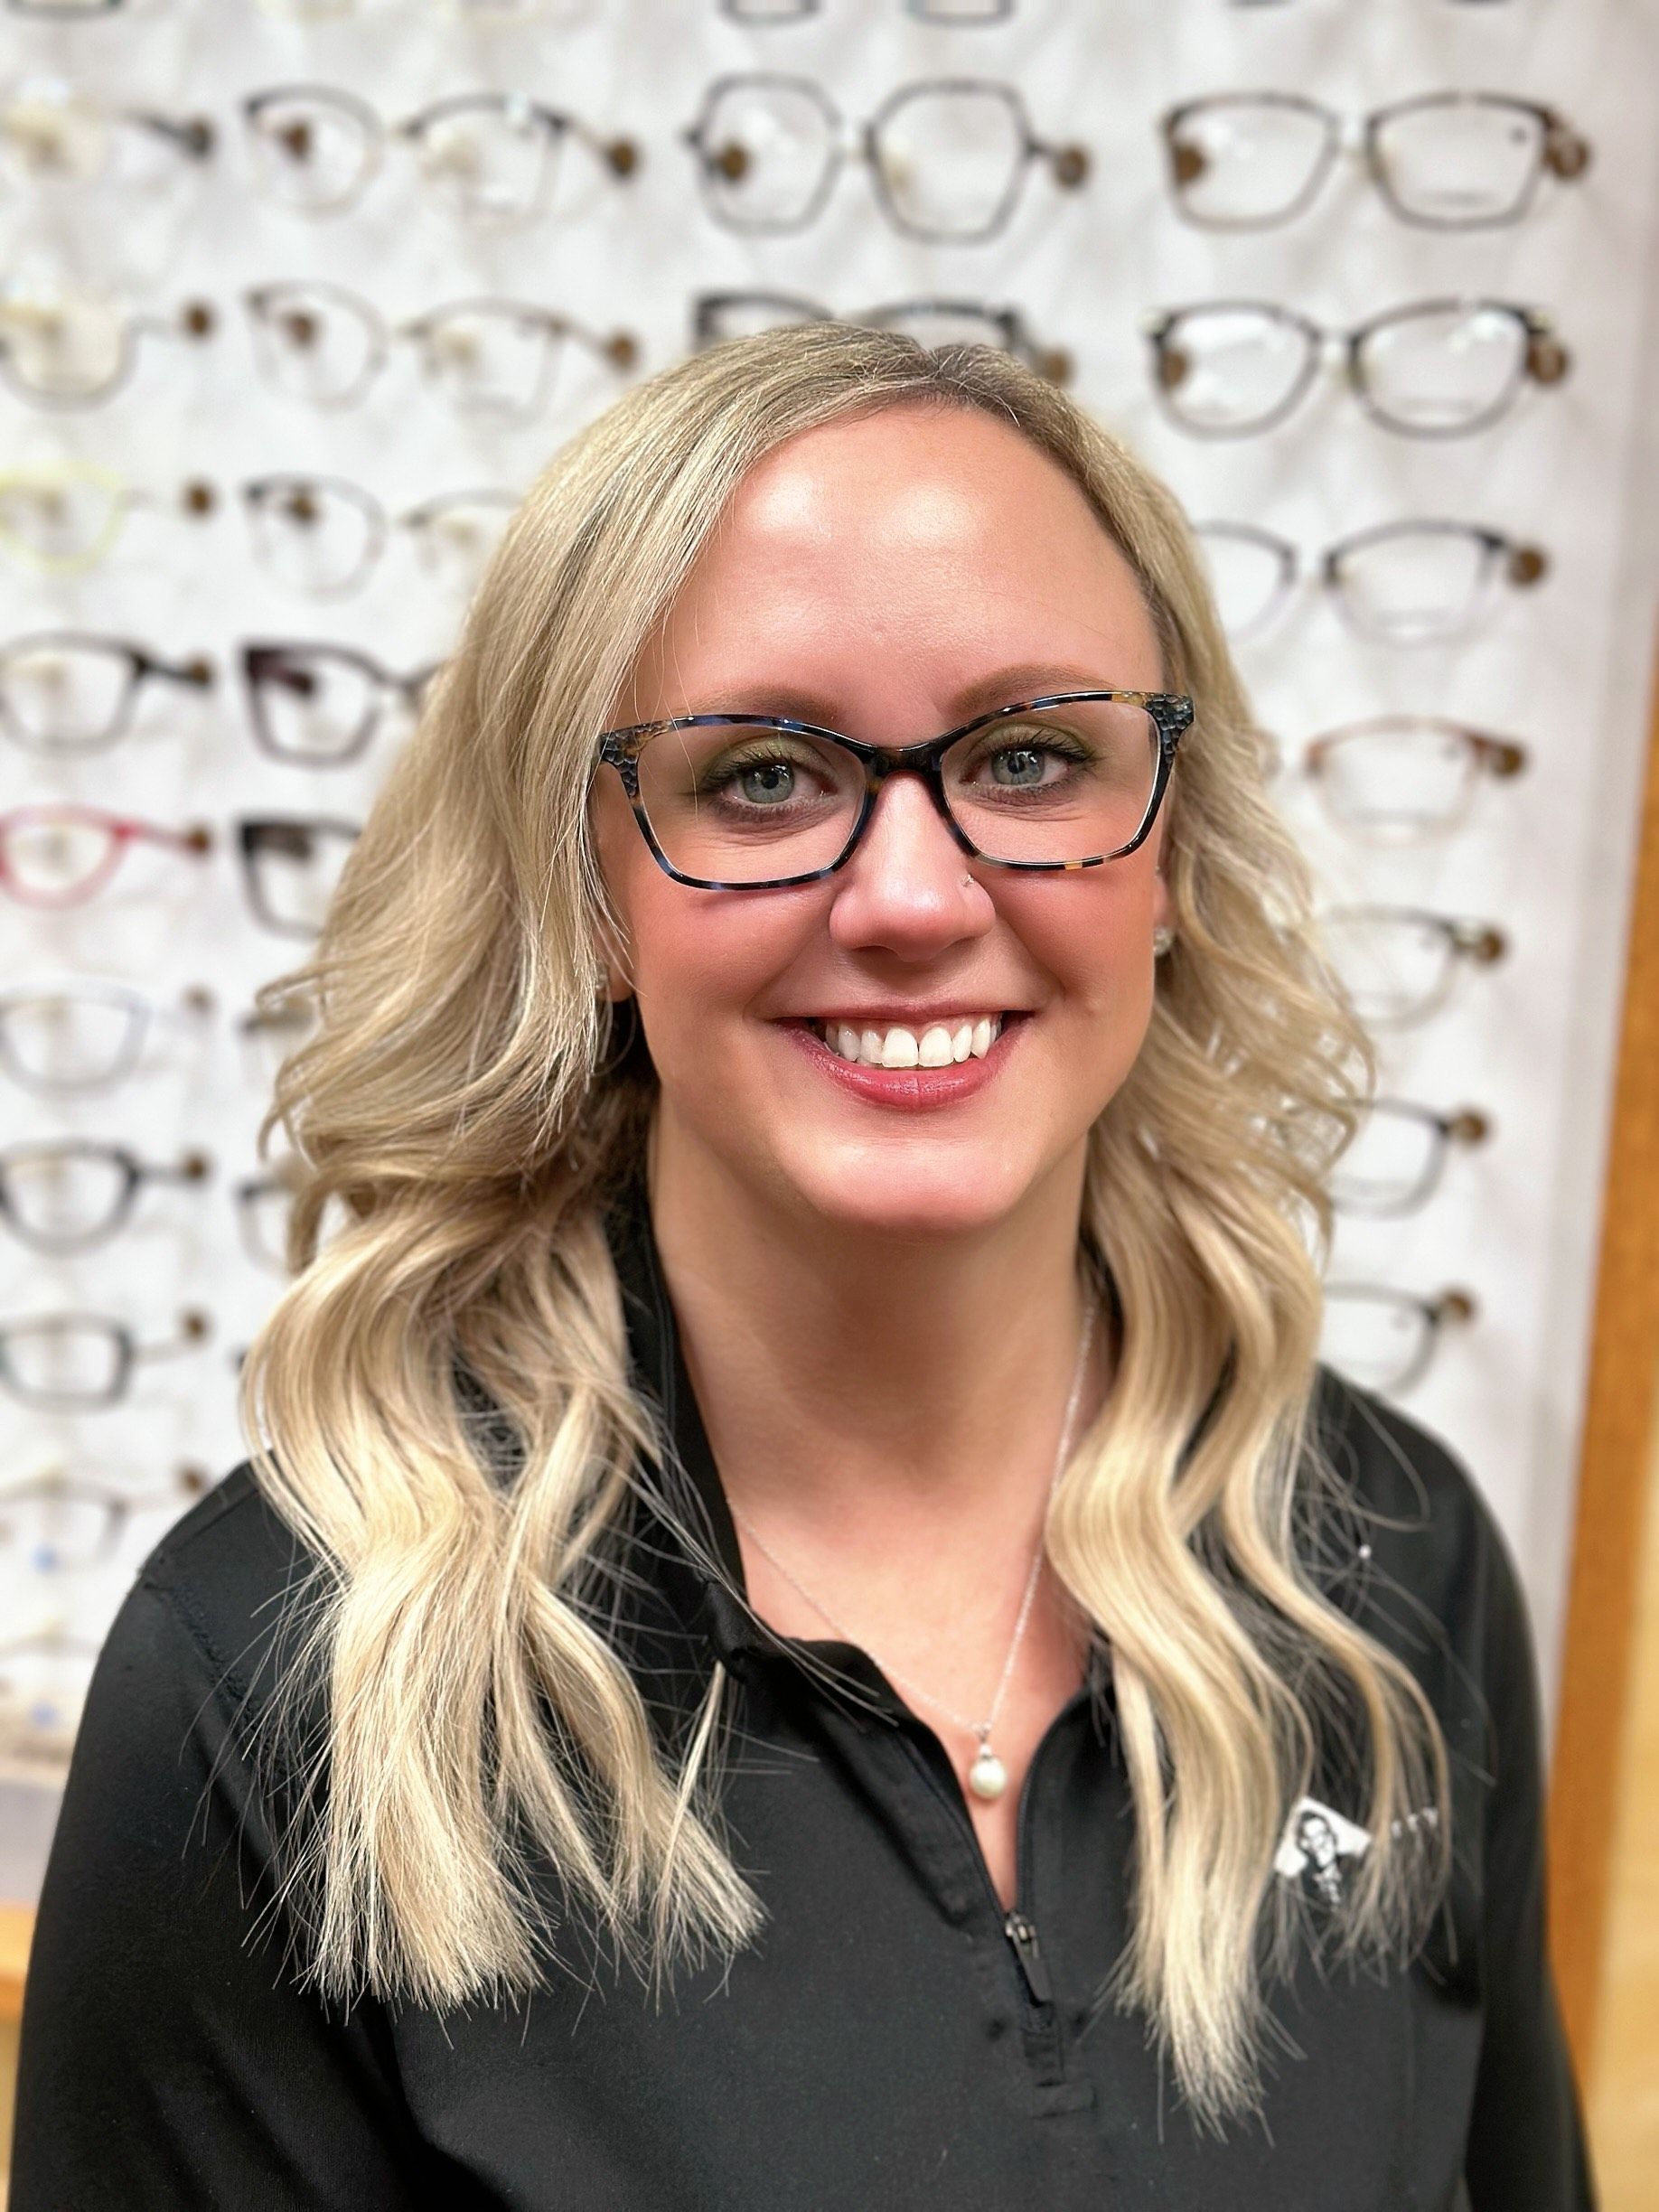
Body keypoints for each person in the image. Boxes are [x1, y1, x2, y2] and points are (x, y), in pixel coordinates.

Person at [11, 324, 1595, 2210]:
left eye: (1030, 756)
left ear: (1163, 853)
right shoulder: (283, 1686)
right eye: (762, 776)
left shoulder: (1385, 1575)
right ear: (589, 885)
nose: (916, 899)